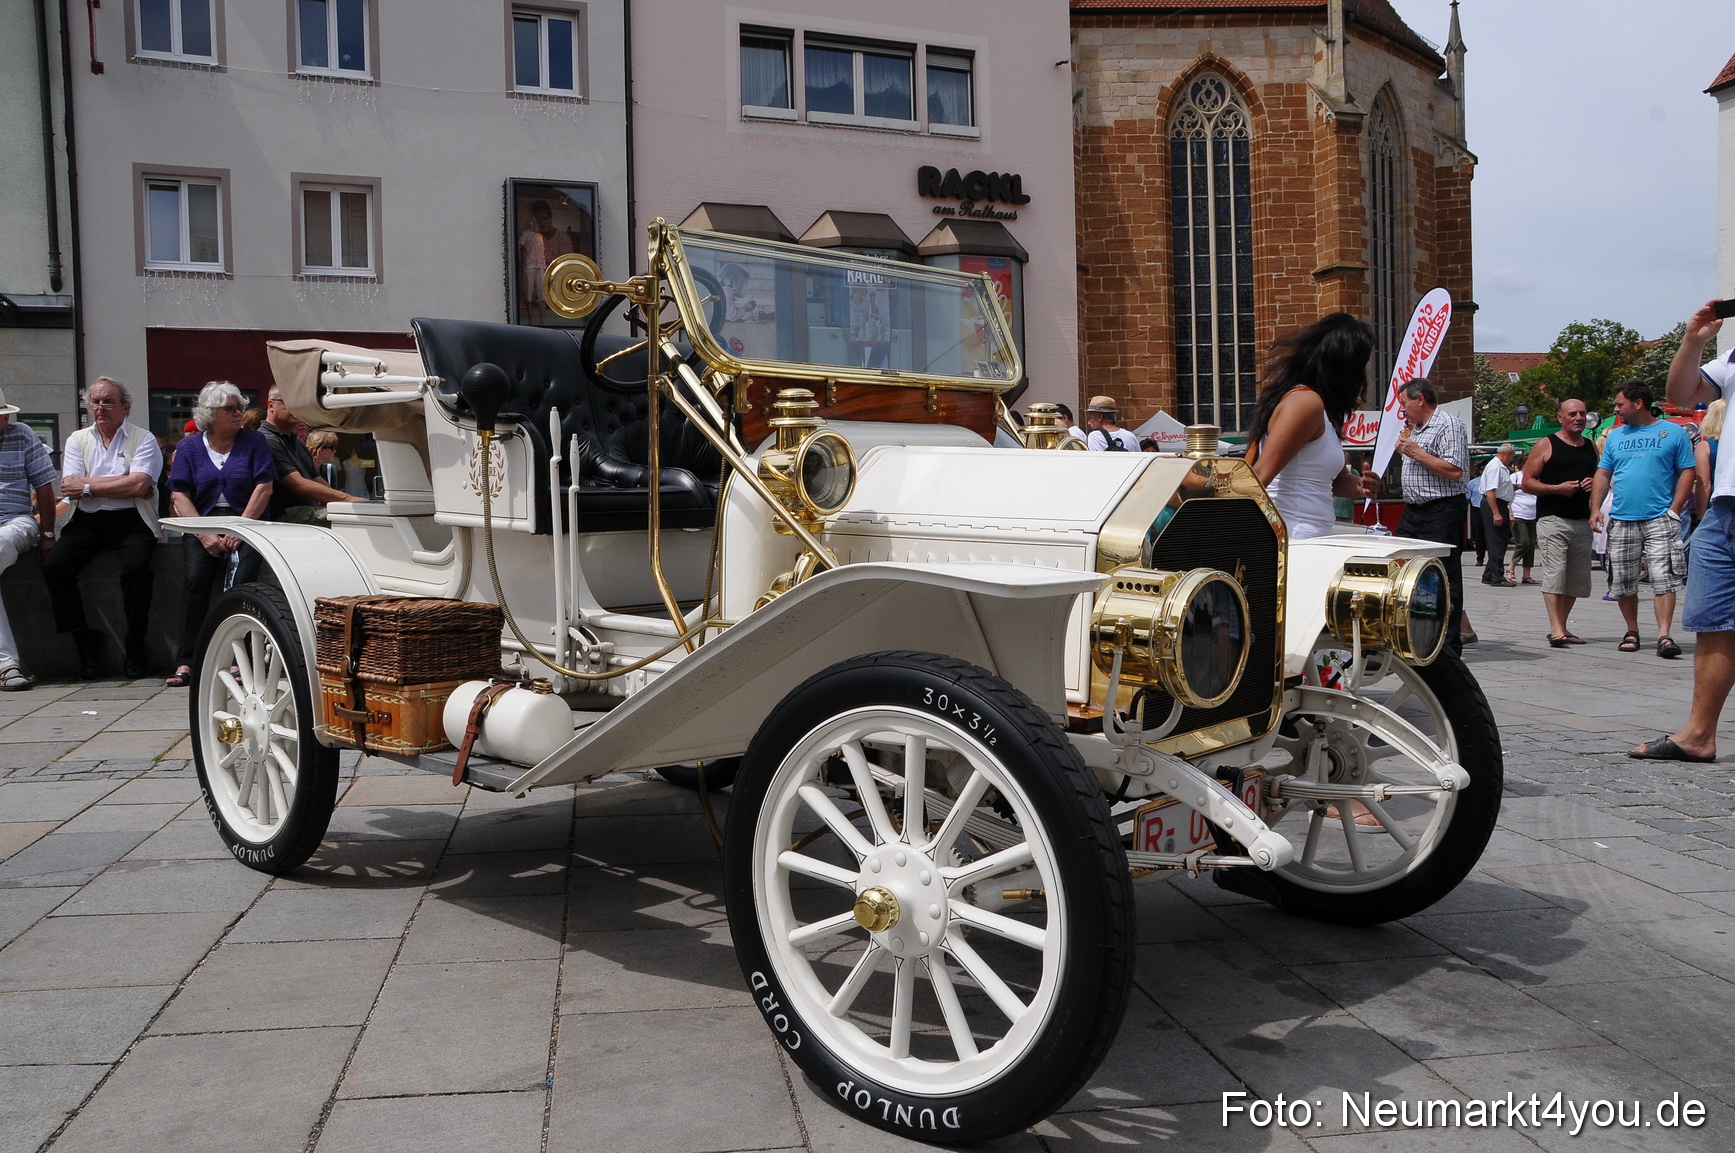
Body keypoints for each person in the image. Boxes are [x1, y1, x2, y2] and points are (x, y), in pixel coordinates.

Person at [1633, 302, 1735, 761]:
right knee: (1713, 622)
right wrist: (1694, 340)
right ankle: (1699, 735)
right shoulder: (1733, 358)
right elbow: (1680, 393)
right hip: (1725, 509)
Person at [42, 377, 165, 680]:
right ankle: (84, 641)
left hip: (131, 518)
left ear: (125, 407)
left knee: (137, 569)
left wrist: (88, 485)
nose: (100, 407)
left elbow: (139, 484)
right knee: (55, 565)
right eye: (95, 402)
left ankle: (135, 644)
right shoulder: (77, 439)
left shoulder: (143, 438)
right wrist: (121, 484)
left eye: (108, 401)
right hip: (87, 520)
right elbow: (68, 487)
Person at [166, 382, 275, 688]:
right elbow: (180, 495)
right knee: (195, 581)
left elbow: (264, 487)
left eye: (240, 406)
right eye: (231, 408)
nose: (239, 412)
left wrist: (240, 527)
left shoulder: (254, 441)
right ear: (210, 414)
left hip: (247, 520)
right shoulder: (188, 447)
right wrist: (204, 534)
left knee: (242, 584)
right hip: (202, 522)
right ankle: (187, 660)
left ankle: (241, 660)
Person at [1244, 312, 1379, 539]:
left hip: (1311, 536)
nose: (1365, 373)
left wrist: (1360, 485)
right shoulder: (1306, 403)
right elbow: (1259, 475)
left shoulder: (1319, 407)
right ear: (1344, 364)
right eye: (1362, 364)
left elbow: (1330, 482)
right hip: (1292, 538)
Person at [1590, 380, 1695, 659]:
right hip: (1623, 517)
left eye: (1619, 404)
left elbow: (1687, 471)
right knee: (1623, 579)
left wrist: (1675, 508)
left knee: (1664, 577)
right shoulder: (1615, 436)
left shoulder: (1672, 432)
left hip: (1660, 516)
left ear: (1638, 404)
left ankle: (1664, 635)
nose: (1616, 409)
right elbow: (1603, 474)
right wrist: (1595, 508)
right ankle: (1632, 630)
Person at [1384, 378, 1471, 653]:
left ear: (1420, 399)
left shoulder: (1448, 425)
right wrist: (1407, 449)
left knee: (1444, 577)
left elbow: (1455, 471)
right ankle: (1409, 637)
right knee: (1401, 570)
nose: (1403, 410)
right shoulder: (1416, 429)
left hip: (1441, 510)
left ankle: (1447, 646)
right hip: (1414, 510)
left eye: (1405, 403)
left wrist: (1416, 453)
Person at [1521, 398, 1597, 647]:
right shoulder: (1546, 444)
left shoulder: (1591, 446)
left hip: (1582, 520)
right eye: (1573, 414)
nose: (1578, 418)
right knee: (1555, 573)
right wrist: (1558, 489)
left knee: (1577, 577)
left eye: (1582, 413)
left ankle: (1562, 626)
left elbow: (1602, 479)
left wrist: (1594, 483)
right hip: (1553, 519)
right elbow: (1527, 482)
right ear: (1561, 417)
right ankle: (1556, 630)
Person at [0, 387, 58, 691]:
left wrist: (48, 533)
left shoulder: (21, 434)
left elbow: (45, 487)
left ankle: (5, 663)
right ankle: (7, 665)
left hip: (15, 521)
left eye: (3, 415)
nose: (3, 420)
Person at [262, 387, 362, 523]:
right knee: (352, 519)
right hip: (285, 517)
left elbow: (315, 478)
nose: (296, 409)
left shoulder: (296, 441)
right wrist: (347, 499)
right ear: (271, 405)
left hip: (304, 512)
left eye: (299, 404)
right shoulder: (266, 439)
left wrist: (345, 501)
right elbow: (298, 484)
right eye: (289, 403)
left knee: (355, 514)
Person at [518, 199, 573, 324]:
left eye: (545, 218)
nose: (542, 223)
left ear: (551, 217)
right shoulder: (530, 235)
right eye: (538, 220)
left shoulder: (562, 238)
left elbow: (565, 263)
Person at [1478, 443, 1517, 586]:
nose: (1511, 460)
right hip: (1494, 505)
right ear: (1507, 453)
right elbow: (1490, 491)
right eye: (1512, 456)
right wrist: (1496, 513)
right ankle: (1497, 577)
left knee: (1499, 540)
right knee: (1496, 541)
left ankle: (1489, 574)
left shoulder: (1499, 467)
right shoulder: (1495, 467)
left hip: (1499, 503)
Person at [1507, 453, 1538, 584]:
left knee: (1531, 544)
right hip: (1518, 513)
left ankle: (1526, 575)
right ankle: (1511, 568)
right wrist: (1510, 513)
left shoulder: (1536, 478)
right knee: (1523, 542)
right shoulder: (1515, 477)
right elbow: (1507, 496)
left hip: (1533, 514)